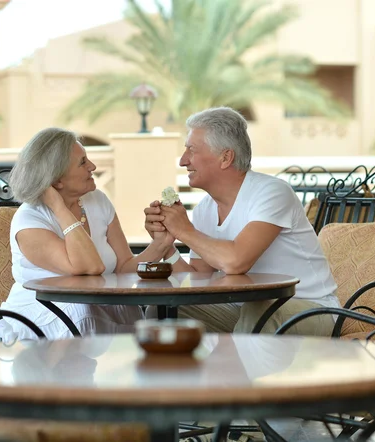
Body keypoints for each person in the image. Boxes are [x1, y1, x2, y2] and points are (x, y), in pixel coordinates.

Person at [144, 107, 339, 336]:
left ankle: (230, 371)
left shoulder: (271, 193)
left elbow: (236, 261)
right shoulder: (205, 209)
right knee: (163, 311)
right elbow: (198, 278)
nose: (183, 161)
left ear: (225, 157)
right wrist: (166, 246)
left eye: (191, 150)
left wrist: (184, 230)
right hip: (243, 309)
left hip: (311, 309)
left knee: (259, 314)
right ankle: (188, 373)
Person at [0, 128, 173, 341]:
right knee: (85, 313)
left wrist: (161, 244)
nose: (93, 167)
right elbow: (89, 267)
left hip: (98, 305)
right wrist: (59, 208)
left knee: (125, 310)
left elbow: (123, 267)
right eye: (82, 162)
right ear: (57, 181)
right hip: (45, 316)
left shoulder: (97, 200)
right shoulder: (30, 220)